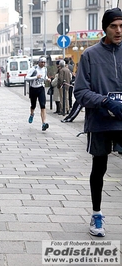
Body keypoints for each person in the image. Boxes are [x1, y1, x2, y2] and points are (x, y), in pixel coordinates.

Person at [74, 7, 122, 237]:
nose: (118, 30)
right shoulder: (90, 55)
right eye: (114, 26)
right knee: (99, 168)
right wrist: (105, 101)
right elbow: (80, 92)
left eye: (121, 26)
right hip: (100, 122)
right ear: (105, 28)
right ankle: (96, 215)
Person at [25, 56, 51, 131]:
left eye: (44, 62)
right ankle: (32, 114)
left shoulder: (45, 69)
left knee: (43, 105)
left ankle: (44, 123)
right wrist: (35, 77)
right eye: (41, 62)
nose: (43, 64)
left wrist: (47, 79)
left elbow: (44, 76)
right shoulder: (34, 69)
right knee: (33, 105)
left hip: (41, 88)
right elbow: (26, 78)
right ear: (38, 62)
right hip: (33, 89)